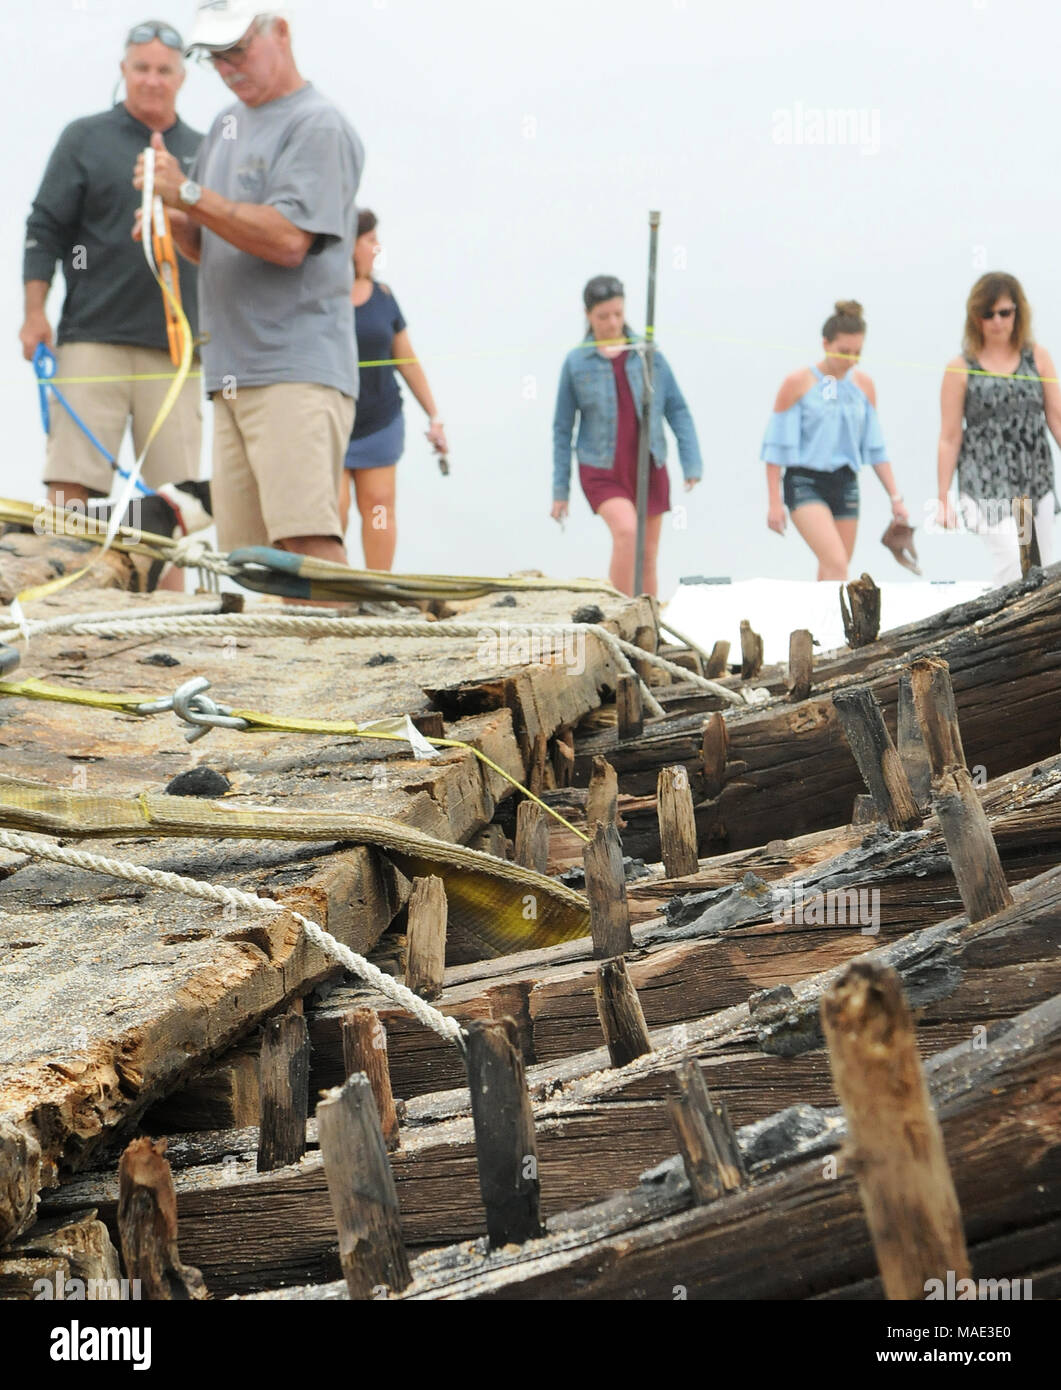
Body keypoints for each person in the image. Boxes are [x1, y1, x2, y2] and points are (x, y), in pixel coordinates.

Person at [135, 3, 364, 564]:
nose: (226, 66)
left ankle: (347, 654)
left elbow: (289, 241)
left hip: (294, 370)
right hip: (233, 377)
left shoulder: (318, 124)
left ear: (280, 32)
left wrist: (186, 194)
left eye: (237, 49)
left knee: (305, 545)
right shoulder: (225, 125)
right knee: (253, 561)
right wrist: (171, 218)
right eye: (214, 56)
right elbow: (209, 243)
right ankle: (305, 653)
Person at [20, 20, 202, 520]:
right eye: (141, 68)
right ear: (124, 70)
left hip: (175, 350)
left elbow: (224, 247)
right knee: (70, 488)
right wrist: (34, 313)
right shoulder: (84, 138)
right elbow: (45, 228)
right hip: (91, 338)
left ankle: (167, 600)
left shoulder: (205, 151)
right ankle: (64, 585)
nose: (151, 79)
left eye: (164, 70)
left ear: (181, 76)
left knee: (175, 500)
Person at [551, 275, 702, 596]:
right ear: (588, 314)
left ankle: (648, 624)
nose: (612, 322)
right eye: (603, 316)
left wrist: (691, 461)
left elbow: (677, 409)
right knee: (627, 532)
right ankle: (619, 617)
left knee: (646, 557)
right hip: (601, 467)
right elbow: (563, 429)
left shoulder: (649, 355)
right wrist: (560, 490)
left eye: (618, 314)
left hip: (649, 465)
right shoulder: (576, 362)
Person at [761, 300, 908, 581]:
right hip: (805, 481)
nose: (851, 360)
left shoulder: (864, 385)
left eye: (857, 353)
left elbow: (875, 448)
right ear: (826, 344)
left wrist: (895, 498)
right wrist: (774, 502)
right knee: (836, 561)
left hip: (845, 482)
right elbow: (775, 446)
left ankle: (823, 624)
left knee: (836, 568)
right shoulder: (798, 382)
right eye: (844, 352)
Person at [338, 211, 448, 569]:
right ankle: (329, 596)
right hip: (331, 426)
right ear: (349, 245)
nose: (376, 247)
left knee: (379, 507)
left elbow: (407, 360)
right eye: (370, 240)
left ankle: (378, 592)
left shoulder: (384, 298)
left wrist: (435, 416)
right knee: (333, 510)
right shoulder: (321, 298)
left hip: (380, 423)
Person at [937, 272, 1060, 586]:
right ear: (975, 318)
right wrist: (942, 498)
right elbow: (949, 438)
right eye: (987, 314)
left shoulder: (1037, 358)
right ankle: (1002, 631)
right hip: (985, 483)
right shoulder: (961, 368)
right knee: (1010, 561)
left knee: (1042, 570)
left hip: (1035, 479)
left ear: (1017, 313)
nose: (997, 321)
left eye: (1004, 312)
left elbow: (1056, 418)